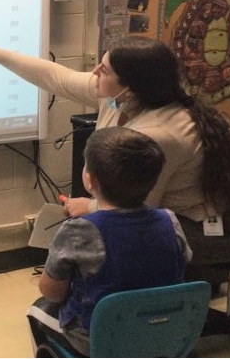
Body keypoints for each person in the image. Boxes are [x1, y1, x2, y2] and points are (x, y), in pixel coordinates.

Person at [0, 31, 230, 265]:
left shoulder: (159, 135)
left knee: (123, 238)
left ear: (130, 88)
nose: (94, 73)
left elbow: (136, 210)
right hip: (207, 211)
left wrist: (87, 207)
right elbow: (57, 78)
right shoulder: (122, 97)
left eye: (103, 70)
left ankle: (155, 321)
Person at [29, 127, 192, 355]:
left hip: (98, 338)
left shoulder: (78, 230)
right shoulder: (170, 221)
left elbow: (52, 292)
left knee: (37, 310)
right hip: (164, 333)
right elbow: (182, 262)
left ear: (90, 180)